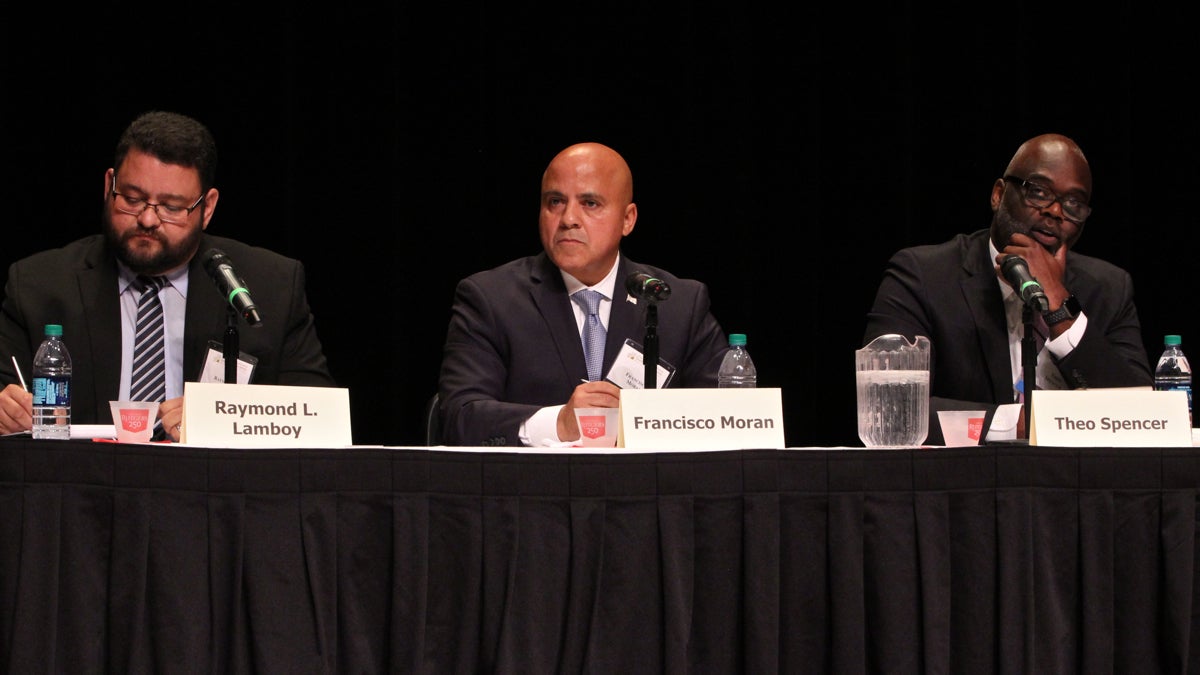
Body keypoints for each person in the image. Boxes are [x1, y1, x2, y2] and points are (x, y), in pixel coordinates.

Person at [0, 110, 334, 439]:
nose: (147, 219)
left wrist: (221, 417)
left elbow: (319, 417)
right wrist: (5, 411)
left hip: (211, 488)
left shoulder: (270, 285)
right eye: (132, 199)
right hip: (82, 486)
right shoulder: (38, 284)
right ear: (108, 185)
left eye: (172, 207)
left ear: (208, 208)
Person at [862, 133, 1151, 444]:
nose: (1055, 212)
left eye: (1073, 204)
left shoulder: (1109, 288)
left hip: (1075, 487)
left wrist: (1060, 306)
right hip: (969, 486)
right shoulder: (924, 277)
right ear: (998, 194)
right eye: (1039, 192)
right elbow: (888, 406)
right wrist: (1015, 423)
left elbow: (1146, 414)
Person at [438, 142, 730, 446]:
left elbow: (729, 417)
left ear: (628, 219)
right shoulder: (490, 299)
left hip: (644, 489)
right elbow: (459, 416)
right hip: (537, 489)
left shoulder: (677, 303)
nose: (568, 219)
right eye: (555, 201)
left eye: (590, 203)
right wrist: (559, 423)